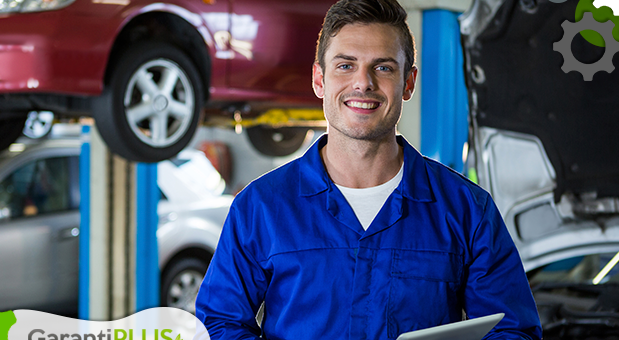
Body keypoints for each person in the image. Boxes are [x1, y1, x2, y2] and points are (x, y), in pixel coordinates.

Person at [195, 0, 543, 338]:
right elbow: (220, 324)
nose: (363, 83)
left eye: (383, 67)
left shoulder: (467, 210)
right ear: (319, 79)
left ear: (408, 83)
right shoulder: (261, 207)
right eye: (345, 65)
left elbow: (513, 330)